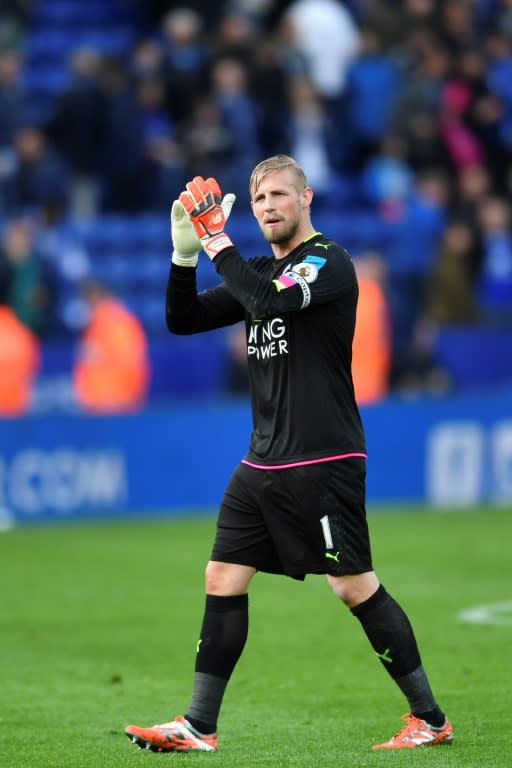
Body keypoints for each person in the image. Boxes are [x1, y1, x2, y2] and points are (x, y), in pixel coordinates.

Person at [124, 155, 453, 752]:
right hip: (263, 462)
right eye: (259, 199)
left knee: (352, 587)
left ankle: (428, 718)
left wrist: (217, 239)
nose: (269, 206)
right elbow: (183, 318)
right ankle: (199, 725)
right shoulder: (254, 271)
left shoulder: (329, 262)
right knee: (222, 575)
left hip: (323, 458)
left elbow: (271, 303)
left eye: (280, 194)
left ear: (306, 199)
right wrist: (185, 254)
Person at [73, 279, 150, 414]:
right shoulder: (98, 323)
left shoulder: (117, 324)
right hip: (101, 404)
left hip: (114, 404)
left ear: (95, 297)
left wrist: (122, 398)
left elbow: (129, 364)